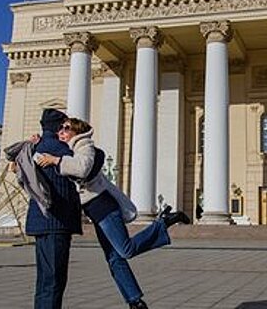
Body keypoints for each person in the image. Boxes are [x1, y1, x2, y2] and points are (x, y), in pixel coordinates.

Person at [35, 117, 190, 309]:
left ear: (76, 132)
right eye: (60, 129)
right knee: (114, 258)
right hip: (96, 213)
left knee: (126, 249)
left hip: (104, 207)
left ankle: (163, 222)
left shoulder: (85, 146)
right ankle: (135, 301)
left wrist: (56, 160)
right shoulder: (71, 150)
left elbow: (82, 169)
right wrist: (37, 143)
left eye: (66, 128)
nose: (61, 132)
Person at [17, 109, 83, 309]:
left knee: (44, 279)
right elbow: (83, 167)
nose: (67, 130)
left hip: (40, 221)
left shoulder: (33, 147)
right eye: (65, 126)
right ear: (58, 127)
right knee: (55, 280)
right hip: (57, 221)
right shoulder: (62, 149)